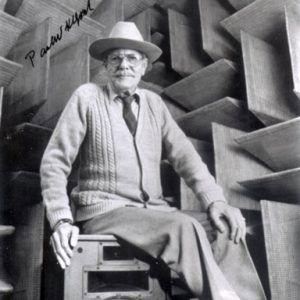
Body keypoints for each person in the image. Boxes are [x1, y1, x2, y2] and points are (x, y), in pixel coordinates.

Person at [40, 22, 266, 300]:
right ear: (106, 65)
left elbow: (185, 156)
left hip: (155, 214)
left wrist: (215, 200)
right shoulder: (86, 97)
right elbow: (54, 163)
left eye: (132, 58)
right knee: (183, 227)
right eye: (116, 58)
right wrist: (61, 220)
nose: (124, 64)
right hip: (105, 213)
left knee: (226, 228)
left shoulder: (154, 103)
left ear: (144, 66)